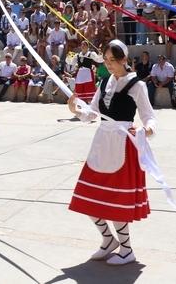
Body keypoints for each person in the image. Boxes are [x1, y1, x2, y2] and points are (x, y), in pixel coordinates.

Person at [67, 40, 157, 266]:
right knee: (87, 195)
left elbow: (150, 117)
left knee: (116, 198)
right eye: (105, 60)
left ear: (124, 60)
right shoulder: (104, 81)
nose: (108, 64)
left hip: (123, 145)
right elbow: (93, 113)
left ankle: (126, 249)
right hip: (101, 143)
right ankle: (108, 239)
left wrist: (146, 131)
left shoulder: (137, 85)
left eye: (112, 61)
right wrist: (76, 110)